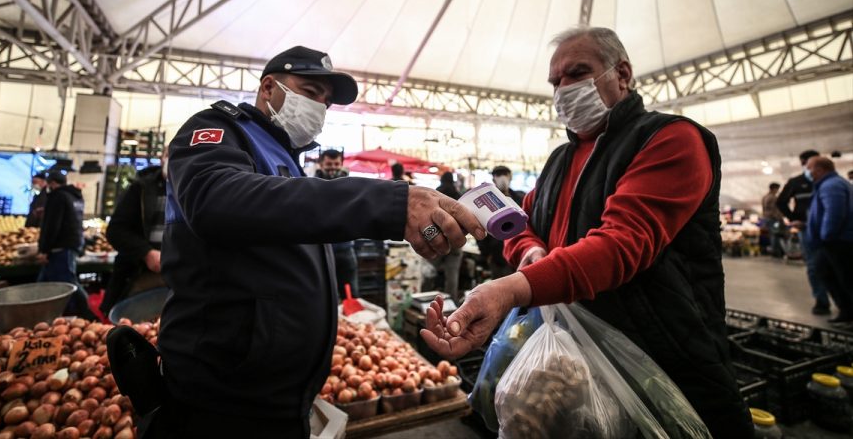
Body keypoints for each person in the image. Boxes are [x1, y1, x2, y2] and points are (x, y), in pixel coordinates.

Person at [420, 26, 753, 438]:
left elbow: (620, 245)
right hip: (571, 360)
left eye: (577, 73)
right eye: (555, 81)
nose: (563, 89)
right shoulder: (559, 160)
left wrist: (513, 288)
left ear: (623, 74)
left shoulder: (670, 140)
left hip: (659, 356)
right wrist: (528, 253)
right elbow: (518, 227)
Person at [151, 46, 485, 437]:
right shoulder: (220, 130)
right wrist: (393, 202)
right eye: (309, 91)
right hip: (222, 397)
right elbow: (215, 201)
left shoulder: (288, 158)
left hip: (280, 397)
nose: (319, 107)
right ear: (268, 87)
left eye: (325, 101)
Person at [100, 150, 169, 316]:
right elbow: (116, 230)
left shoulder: (195, 191)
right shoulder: (141, 188)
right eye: (171, 155)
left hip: (181, 282)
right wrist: (146, 253)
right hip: (142, 277)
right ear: (162, 159)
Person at [37, 171, 95, 320]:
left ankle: (89, 311)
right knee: (45, 283)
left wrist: (44, 249)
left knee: (68, 283)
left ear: (53, 184)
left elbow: (52, 225)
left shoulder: (57, 197)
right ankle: (43, 315)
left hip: (61, 247)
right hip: (73, 244)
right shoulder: (75, 196)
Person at [777, 150, 829, 315]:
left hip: (828, 227)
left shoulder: (825, 181)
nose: (806, 165)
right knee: (814, 265)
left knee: (835, 264)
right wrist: (794, 218)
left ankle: (845, 304)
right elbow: (781, 202)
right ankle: (821, 301)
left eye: (808, 162)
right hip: (806, 228)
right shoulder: (796, 182)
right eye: (803, 162)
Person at [806, 156, 853, 326]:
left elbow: (834, 214)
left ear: (820, 169)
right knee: (827, 272)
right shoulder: (831, 184)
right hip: (835, 240)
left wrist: (826, 236)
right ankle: (846, 311)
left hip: (837, 241)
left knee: (843, 277)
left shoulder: (831, 185)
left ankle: (848, 312)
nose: (807, 172)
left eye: (809, 168)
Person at [315, 149, 358, 298]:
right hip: (322, 251)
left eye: (336, 164)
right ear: (320, 164)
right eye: (328, 164)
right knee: (324, 293)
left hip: (346, 250)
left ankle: (354, 322)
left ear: (341, 164)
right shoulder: (311, 186)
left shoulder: (351, 185)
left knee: (350, 293)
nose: (333, 167)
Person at [478, 166, 525, 279]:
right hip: (497, 256)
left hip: (518, 253)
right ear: (493, 179)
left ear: (510, 177)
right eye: (498, 175)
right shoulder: (487, 200)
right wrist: (486, 253)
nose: (502, 178)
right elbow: (480, 225)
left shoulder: (520, 198)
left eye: (505, 174)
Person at [427, 172, 464, 300]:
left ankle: (425, 300)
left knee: (429, 271)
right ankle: (451, 305)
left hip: (435, 240)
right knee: (452, 276)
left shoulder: (435, 194)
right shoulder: (459, 196)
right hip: (455, 242)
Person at [761, 182, 784, 257]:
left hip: (767, 218)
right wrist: (780, 218)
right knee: (775, 234)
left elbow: (764, 209)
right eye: (777, 189)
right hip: (774, 219)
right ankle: (776, 252)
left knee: (772, 234)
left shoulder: (765, 197)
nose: (778, 191)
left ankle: (774, 250)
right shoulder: (773, 197)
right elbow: (775, 209)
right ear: (774, 189)